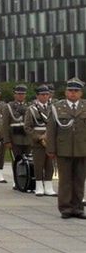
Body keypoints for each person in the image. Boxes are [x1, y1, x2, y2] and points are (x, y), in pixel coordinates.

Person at [46, 78, 86, 219]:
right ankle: (66, 208)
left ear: (81, 93)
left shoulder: (84, 107)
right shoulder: (57, 107)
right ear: (66, 92)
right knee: (65, 180)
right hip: (64, 148)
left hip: (82, 149)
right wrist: (51, 149)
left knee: (80, 179)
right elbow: (51, 130)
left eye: (76, 91)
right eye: (70, 91)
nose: (73, 94)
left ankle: (78, 207)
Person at [25, 84, 56, 197]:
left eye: (47, 94)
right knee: (39, 164)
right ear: (37, 96)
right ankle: (39, 186)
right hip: (38, 140)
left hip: (51, 139)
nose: (45, 96)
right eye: (42, 94)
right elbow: (27, 127)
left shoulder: (53, 107)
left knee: (49, 164)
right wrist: (39, 137)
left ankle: (48, 186)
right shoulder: (32, 109)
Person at [2, 84, 31, 189]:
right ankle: (16, 181)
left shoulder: (30, 106)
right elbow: (5, 125)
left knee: (29, 160)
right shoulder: (8, 107)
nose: (20, 96)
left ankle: (27, 181)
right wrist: (7, 140)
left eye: (22, 94)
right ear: (15, 94)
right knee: (16, 161)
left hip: (28, 138)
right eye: (18, 94)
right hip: (15, 138)